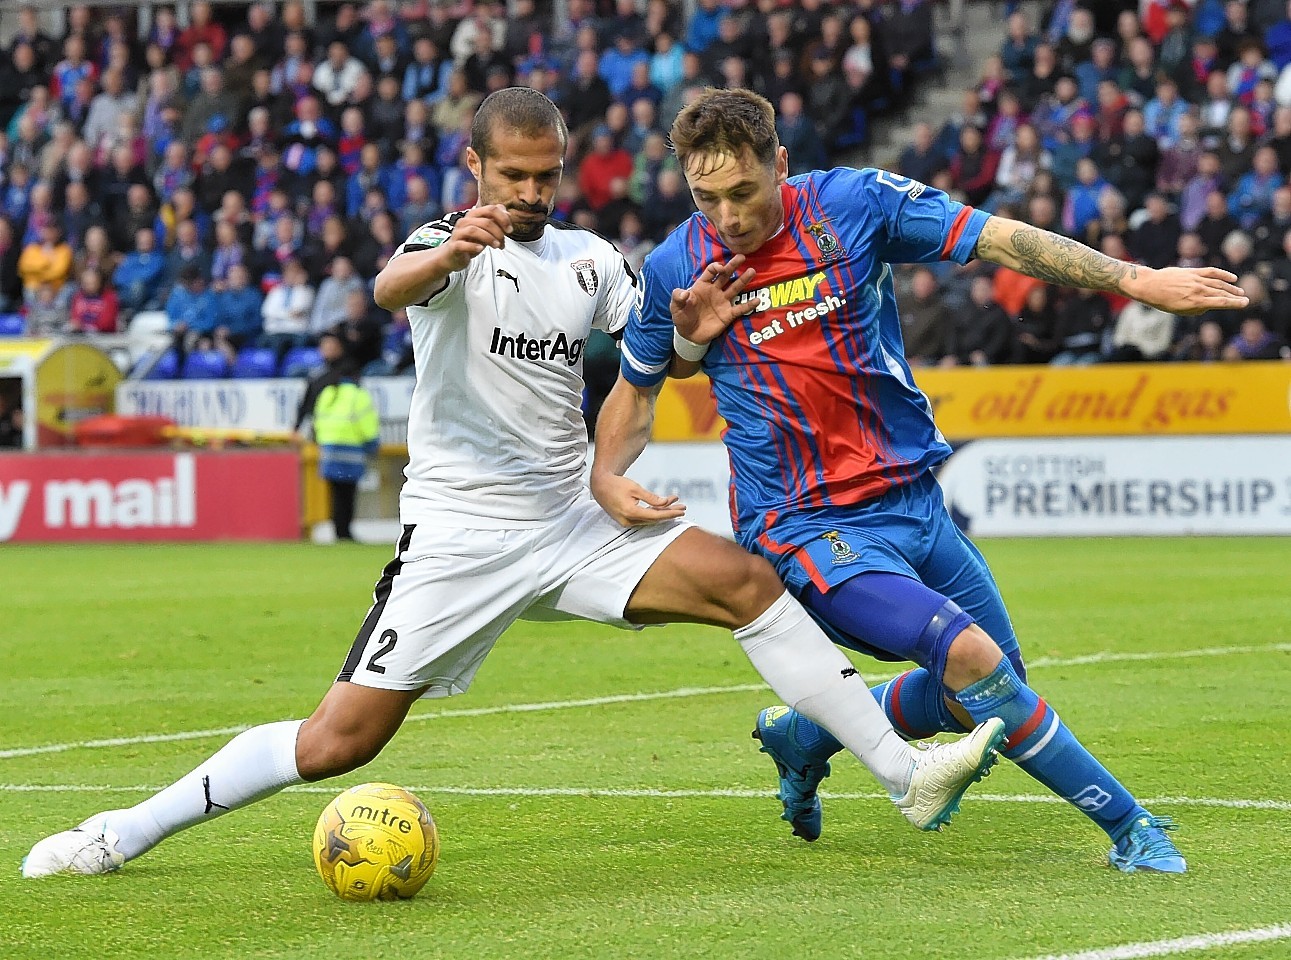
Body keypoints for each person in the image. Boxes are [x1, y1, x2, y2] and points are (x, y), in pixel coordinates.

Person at [22, 88, 1006, 881]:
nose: (530, 192)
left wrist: (696, 326)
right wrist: (447, 248)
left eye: (545, 176)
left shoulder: (590, 261)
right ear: (476, 170)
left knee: (749, 583)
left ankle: (903, 775)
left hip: (574, 522)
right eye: (512, 176)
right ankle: (122, 831)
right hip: (459, 539)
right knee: (336, 745)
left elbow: (661, 360)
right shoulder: (448, 246)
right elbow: (388, 288)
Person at [598, 88, 1250, 871]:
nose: (728, 215)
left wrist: (1133, 280)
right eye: (707, 198)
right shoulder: (676, 265)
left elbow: (995, 237)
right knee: (972, 662)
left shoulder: (853, 206)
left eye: (743, 191)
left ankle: (807, 731)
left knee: (987, 690)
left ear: (779, 163)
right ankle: (1129, 827)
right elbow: (635, 389)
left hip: (912, 500)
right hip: (802, 525)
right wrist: (606, 473)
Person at [293, 331, 379, 542]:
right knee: (347, 492)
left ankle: (337, 530)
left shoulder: (325, 389)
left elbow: (312, 411)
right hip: (351, 447)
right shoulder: (355, 393)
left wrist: (309, 433)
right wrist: (371, 442)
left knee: (335, 491)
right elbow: (366, 420)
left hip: (329, 446)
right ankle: (344, 531)